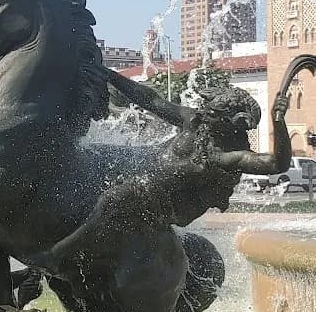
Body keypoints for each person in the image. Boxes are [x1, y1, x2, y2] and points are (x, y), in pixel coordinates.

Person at [29, 72, 292, 272]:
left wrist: (279, 122)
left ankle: (56, 255)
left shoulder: (229, 156)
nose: (204, 113)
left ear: (231, 123)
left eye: (212, 113)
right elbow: (151, 100)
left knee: (114, 199)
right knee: (89, 154)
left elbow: (276, 165)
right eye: (207, 107)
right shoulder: (195, 121)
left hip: (154, 198)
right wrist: (109, 75)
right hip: (137, 162)